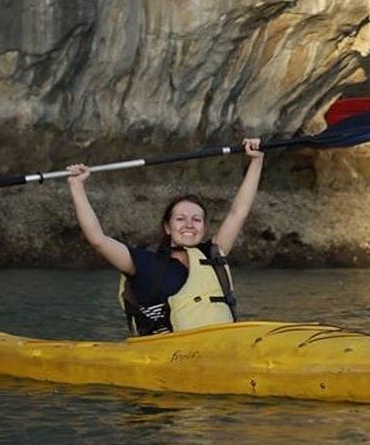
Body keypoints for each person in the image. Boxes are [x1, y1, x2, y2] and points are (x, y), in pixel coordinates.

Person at [67, 139, 264, 336]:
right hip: (169, 356)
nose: (189, 224)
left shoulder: (213, 255)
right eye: (180, 219)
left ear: (204, 228)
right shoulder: (145, 262)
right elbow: (98, 240)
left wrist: (256, 161)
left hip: (219, 350)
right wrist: (77, 186)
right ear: (167, 227)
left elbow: (238, 212)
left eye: (196, 219)